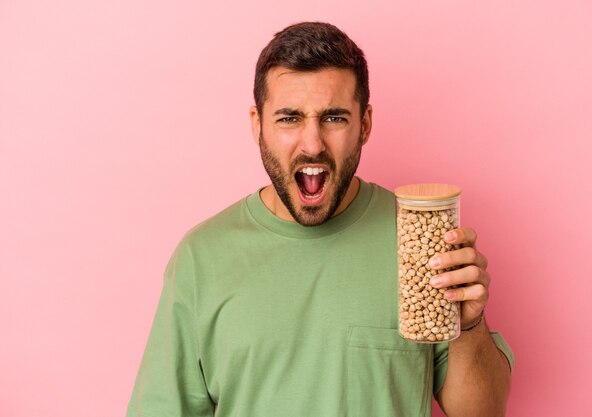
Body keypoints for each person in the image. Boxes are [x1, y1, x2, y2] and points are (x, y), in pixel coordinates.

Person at [127, 21, 513, 417]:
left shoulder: (418, 240)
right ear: (257, 124)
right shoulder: (201, 258)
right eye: (289, 118)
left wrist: (467, 326)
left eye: (334, 118)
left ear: (364, 125)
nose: (312, 144)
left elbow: (483, 412)